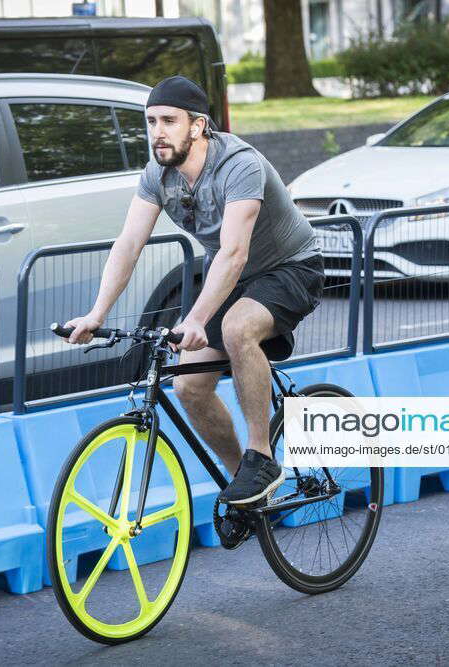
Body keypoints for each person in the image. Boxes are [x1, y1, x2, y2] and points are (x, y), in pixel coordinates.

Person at [63, 75, 323, 506]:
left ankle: (262, 458)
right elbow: (129, 245)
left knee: (239, 328)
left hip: (290, 267)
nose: (157, 132)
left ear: (198, 126)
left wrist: (199, 318)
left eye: (169, 120)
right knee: (189, 387)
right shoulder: (157, 175)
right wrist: (97, 314)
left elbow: (234, 251)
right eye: (150, 122)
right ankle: (245, 484)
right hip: (231, 276)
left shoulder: (239, 165)